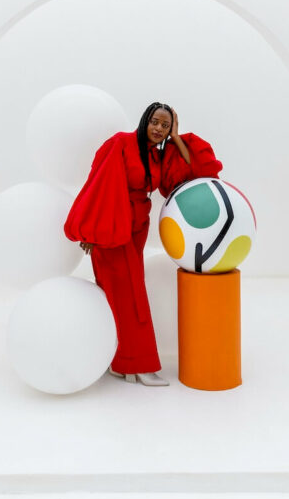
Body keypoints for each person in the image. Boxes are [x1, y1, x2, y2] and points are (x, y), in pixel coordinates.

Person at [64, 102, 223, 386]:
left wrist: (175, 138)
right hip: (112, 229)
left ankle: (123, 365)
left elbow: (195, 170)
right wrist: (91, 230)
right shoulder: (120, 143)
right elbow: (98, 183)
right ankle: (139, 366)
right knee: (127, 299)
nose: (158, 129)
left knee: (130, 297)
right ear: (145, 120)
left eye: (165, 125)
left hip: (136, 231)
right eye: (155, 122)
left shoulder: (157, 156)